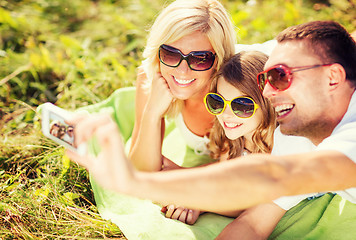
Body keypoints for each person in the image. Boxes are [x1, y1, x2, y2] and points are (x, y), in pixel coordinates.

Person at [68, 20, 356, 238]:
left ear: (333, 77)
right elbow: (253, 222)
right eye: (266, 77)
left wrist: (133, 182)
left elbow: (273, 176)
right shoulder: (294, 135)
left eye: (281, 77)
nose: (267, 92)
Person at [162, 50, 283, 233]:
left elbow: (249, 201)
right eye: (217, 102)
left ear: (268, 103)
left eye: (241, 106)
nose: (226, 114)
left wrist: (198, 203)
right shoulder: (236, 135)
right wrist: (182, 175)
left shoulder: (282, 145)